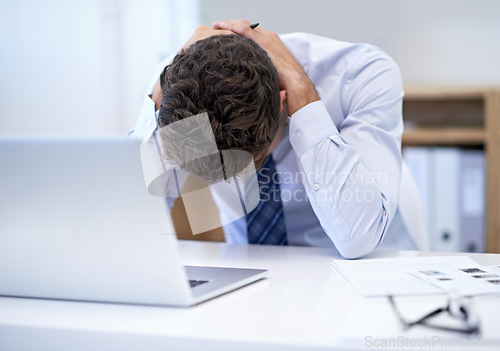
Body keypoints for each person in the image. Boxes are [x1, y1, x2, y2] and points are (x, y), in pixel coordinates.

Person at [131, 20, 416, 259]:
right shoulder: (177, 84)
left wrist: (303, 95)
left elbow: (358, 239)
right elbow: (126, 225)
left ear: (281, 103)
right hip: (256, 277)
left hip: (367, 275)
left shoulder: (363, 74)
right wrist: (157, 102)